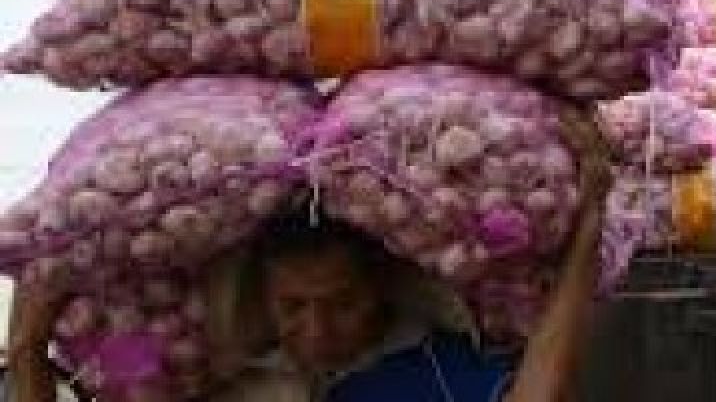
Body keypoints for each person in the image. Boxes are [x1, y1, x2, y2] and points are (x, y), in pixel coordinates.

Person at [8, 109, 613, 402]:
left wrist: (586, 233)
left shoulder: (432, 371)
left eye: (341, 303)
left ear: (379, 285)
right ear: (263, 299)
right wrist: (29, 350)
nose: (316, 329)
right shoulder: (227, 379)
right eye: (293, 306)